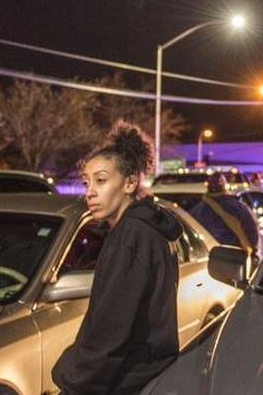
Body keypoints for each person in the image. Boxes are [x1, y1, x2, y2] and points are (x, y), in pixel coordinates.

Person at [52, 122, 184, 395]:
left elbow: (110, 328)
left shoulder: (130, 237)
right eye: (86, 182)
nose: (90, 191)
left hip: (126, 381)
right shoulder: (145, 227)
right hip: (144, 374)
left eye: (101, 180)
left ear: (130, 182)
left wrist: (72, 383)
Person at [188, 172, 259, 253]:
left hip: (206, 256)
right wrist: (252, 251)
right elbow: (251, 231)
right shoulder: (238, 207)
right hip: (235, 257)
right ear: (224, 186)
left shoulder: (196, 212)